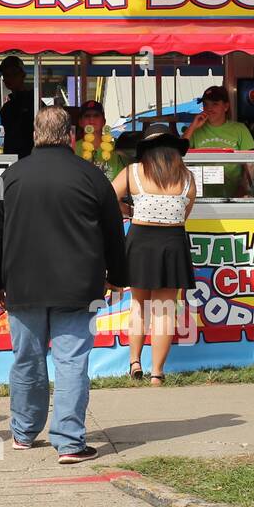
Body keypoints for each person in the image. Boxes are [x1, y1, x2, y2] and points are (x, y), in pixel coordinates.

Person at [0, 106, 127, 464]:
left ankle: (23, 432)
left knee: (27, 360)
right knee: (72, 361)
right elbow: (113, 233)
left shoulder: (9, 177)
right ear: (71, 136)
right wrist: (118, 277)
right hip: (78, 286)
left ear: (34, 135)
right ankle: (69, 442)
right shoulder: (93, 178)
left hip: (23, 285)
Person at [110, 125, 196, 386]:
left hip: (140, 241)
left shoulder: (132, 172)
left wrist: (126, 209)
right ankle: (157, 373)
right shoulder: (188, 177)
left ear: (145, 149)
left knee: (139, 305)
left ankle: (134, 361)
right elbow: (185, 212)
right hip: (172, 242)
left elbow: (107, 196)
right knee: (164, 311)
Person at [184, 84, 254, 198]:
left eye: (215, 104)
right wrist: (192, 126)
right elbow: (178, 153)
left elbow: (251, 164)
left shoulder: (239, 129)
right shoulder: (195, 130)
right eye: (205, 104)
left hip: (232, 198)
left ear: (226, 107)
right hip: (200, 199)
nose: (209, 108)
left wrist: (244, 189)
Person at [75, 99, 128, 179]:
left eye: (96, 115)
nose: (91, 119)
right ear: (80, 122)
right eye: (87, 115)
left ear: (104, 121)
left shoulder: (118, 149)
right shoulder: (72, 149)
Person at [0, 55, 35, 159]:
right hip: (9, 158)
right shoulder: (7, 106)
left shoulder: (34, 101)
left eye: (13, 74)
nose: (9, 78)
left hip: (30, 157)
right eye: (5, 74)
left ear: (23, 75)